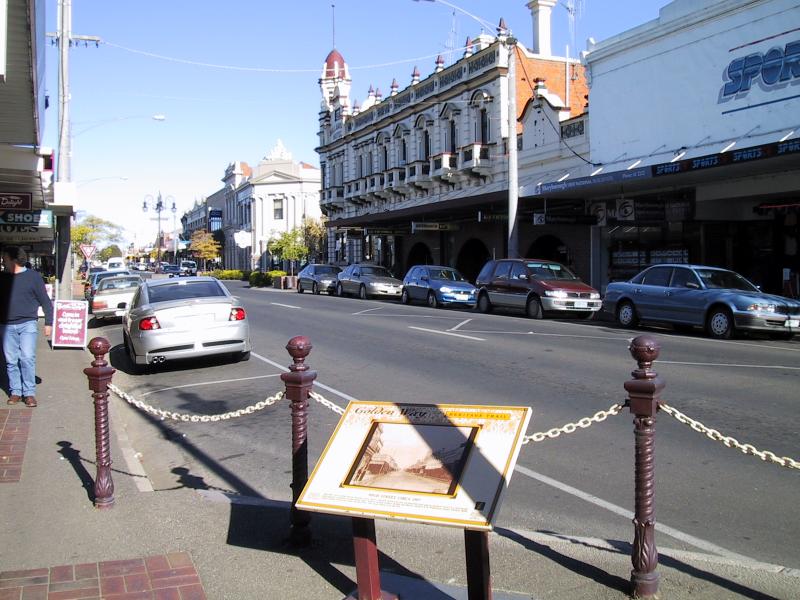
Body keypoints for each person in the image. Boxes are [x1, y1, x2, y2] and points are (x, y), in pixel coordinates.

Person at [0, 246, 53, 407]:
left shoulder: (33, 277)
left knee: (27, 358)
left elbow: (45, 301)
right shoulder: (2, 278)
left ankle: (29, 393)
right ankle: (15, 392)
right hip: (6, 325)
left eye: (5, 258)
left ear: (14, 259)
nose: (3, 261)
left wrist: (49, 323)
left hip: (27, 323)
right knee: (11, 361)